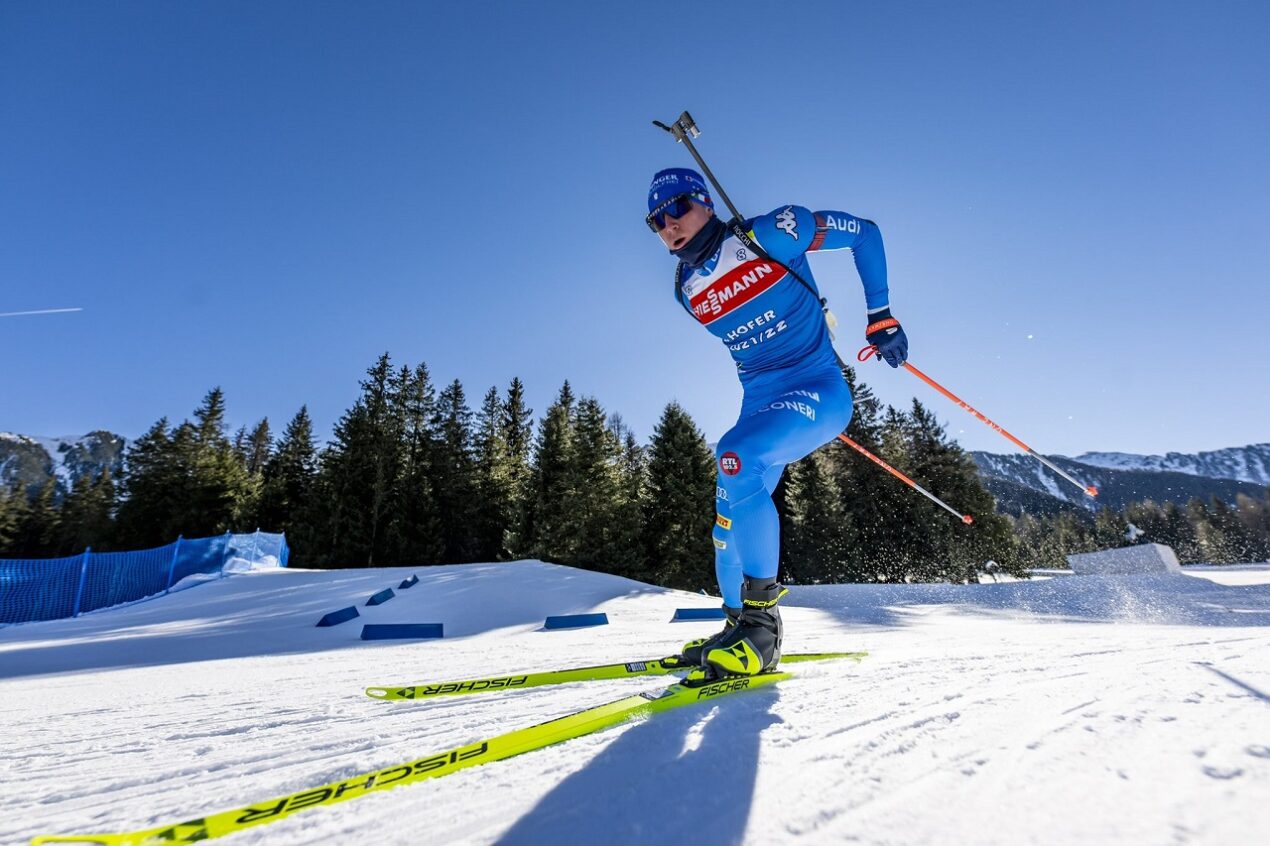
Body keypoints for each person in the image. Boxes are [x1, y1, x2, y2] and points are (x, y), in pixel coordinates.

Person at [646, 167, 908, 678]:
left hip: (817, 391)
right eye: (655, 220)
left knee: (736, 454)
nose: (668, 224)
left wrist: (880, 314)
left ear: (705, 202)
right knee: (724, 525)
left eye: (677, 207)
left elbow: (865, 233)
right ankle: (737, 625)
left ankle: (763, 633)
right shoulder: (686, 288)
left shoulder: (773, 233)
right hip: (762, 407)